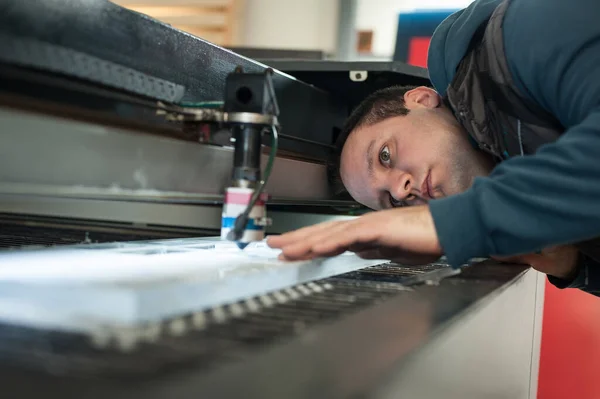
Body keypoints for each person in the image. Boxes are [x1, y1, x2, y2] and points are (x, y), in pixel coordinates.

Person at [267, 0, 600, 297]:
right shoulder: (532, 200)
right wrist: (573, 266)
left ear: (421, 99)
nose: (402, 188)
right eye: (392, 201)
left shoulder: (523, 28)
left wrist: (451, 224)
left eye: (385, 155)